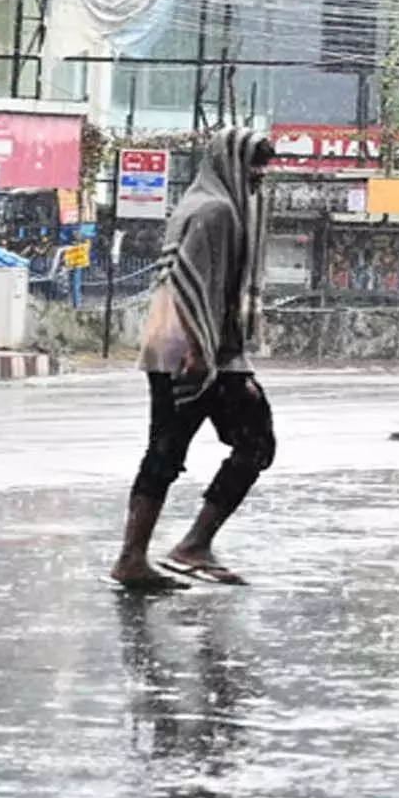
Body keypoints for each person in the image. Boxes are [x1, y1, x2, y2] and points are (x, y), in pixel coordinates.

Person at [110, 129, 279, 592]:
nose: (258, 180)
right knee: (254, 443)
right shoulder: (217, 211)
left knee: (166, 450)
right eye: (252, 169)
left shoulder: (195, 203)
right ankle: (188, 545)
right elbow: (192, 287)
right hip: (202, 354)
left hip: (172, 350)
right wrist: (203, 351)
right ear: (231, 164)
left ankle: (138, 555)